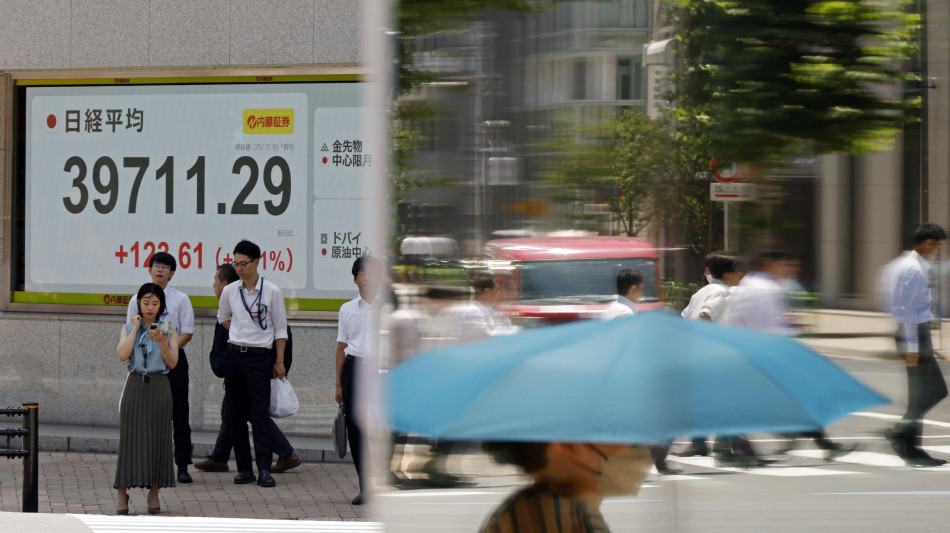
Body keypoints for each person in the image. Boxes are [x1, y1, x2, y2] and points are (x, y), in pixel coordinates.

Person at [725, 250, 855, 463]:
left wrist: (784, 322)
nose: (788, 269)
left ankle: (743, 448)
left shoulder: (746, 285)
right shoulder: (767, 289)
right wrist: (791, 328)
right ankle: (742, 448)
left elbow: (747, 320)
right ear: (768, 264)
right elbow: (769, 327)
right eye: (784, 264)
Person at [218, 240, 301, 488]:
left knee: (259, 414)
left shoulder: (272, 291)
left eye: (243, 263)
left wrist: (279, 361)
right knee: (235, 414)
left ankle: (264, 469)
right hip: (235, 354)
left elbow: (281, 330)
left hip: (259, 357)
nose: (239, 268)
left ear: (256, 262)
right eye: (236, 263)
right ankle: (245, 469)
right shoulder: (230, 291)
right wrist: (241, 331)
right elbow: (223, 318)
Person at [879, 223, 949, 466]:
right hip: (914, 335)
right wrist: (912, 346)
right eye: (938, 246)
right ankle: (900, 436)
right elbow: (906, 310)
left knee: (923, 394)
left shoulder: (899, 265)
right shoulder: (914, 270)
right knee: (932, 392)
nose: (938, 251)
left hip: (914, 334)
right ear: (928, 243)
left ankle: (909, 446)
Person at [598, 268, 678, 475]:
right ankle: (656, 457)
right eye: (642, 288)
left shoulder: (611, 309)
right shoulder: (625, 313)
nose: (643, 292)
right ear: (633, 288)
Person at [125, 252, 195, 484]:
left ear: (172, 273)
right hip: (146, 364)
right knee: (145, 414)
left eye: (165, 267)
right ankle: (144, 464)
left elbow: (187, 332)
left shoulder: (181, 299)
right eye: (156, 265)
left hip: (174, 362)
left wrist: (168, 350)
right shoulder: (136, 299)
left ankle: (182, 465)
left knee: (179, 413)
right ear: (149, 269)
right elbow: (130, 330)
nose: (160, 270)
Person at [479, 441, 653, 533]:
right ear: (568, 445)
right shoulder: (552, 516)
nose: (635, 446)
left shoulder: (565, 510)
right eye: (616, 433)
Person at [114, 283, 180, 515]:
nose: (150, 307)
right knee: (129, 440)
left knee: (157, 439)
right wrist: (134, 329)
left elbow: (172, 362)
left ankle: (154, 493)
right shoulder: (127, 327)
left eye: (155, 303)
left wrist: (162, 342)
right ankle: (122, 492)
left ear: (161, 305)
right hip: (135, 385)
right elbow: (122, 354)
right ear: (138, 303)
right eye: (146, 302)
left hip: (160, 386)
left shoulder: (168, 329)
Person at [676, 252, 744, 457]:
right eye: (738, 271)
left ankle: (699, 442)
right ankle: (722, 443)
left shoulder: (701, 292)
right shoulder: (722, 292)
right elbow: (705, 315)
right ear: (727, 273)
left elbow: (684, 317)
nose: (741, 275)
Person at [336, 255, 382, 505]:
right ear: (355, 279)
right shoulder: (347, 309)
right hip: (354, 368)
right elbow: (341, 347)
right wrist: (338, 384)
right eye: (361, 273)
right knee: (355, 427)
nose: (366, 277)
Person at [194, 263, 240, 473]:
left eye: (216, 280)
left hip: (238, 370)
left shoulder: (233, 308)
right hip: (233, 370)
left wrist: (229, 370)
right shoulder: (229, 305)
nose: (213, 285)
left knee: (249, 413)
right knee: (230, 413)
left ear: (226, 284)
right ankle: (219, 457)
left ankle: (285, 452)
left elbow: (232, 342)